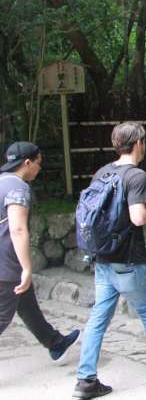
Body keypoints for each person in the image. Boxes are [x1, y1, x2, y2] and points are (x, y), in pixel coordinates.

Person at [74, 122, 146, 399]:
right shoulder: (135, 176)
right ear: (138, 143)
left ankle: (85, 378)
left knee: (98, 317)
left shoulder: (102, 172)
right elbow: (138, 217)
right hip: (130, 260)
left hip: (103, 259)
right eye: (144, 141)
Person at [0, 141, 81, 362]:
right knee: (2, 316)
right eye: (38, 163)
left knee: (25, 302)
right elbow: (17, 229)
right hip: (6, 265)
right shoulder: (18, 187)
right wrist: (26, 267)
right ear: (27, 163)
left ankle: (55, 343)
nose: (39, 168)